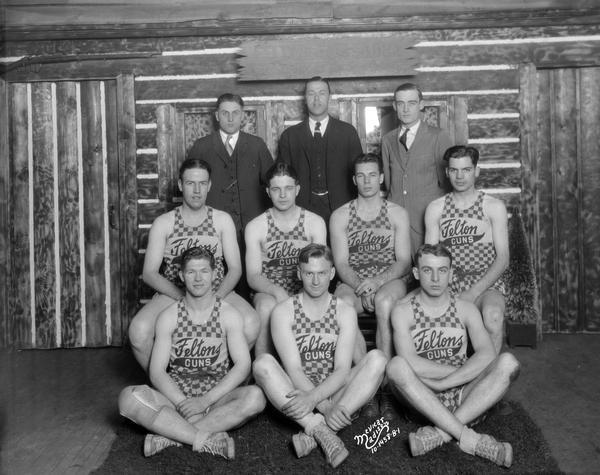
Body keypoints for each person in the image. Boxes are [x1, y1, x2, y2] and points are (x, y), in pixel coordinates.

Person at [118, 247, 266, 459]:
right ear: (181, 275)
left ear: (215, 274)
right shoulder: (169, 316)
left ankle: (171, 436)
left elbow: (243, 366)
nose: (198, 278)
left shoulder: (228, 314)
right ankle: (204, 439)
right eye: (191, 272)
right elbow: (158, 372)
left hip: (216, 400)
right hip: (178, 399)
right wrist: (182, 403)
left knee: (256, 397)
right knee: (128, 398)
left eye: (204, 271)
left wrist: (205, 401)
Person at [253, 244, 386, 468]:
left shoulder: (344, 310)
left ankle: (314, 433)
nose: (316, 281)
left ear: (332, 274)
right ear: (299, 273)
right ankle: (322, 429)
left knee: (378, 359)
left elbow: (342, 369)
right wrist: (322, 406)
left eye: (322, 273)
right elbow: (294, 370)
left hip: (336, 394)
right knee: (262, 364)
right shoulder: (284, 311)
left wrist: (320, 400)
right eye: (309, 273)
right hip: (297, 394)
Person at [386, 243, 520, 467]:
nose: (436, 278)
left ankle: (440, 433)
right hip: (422, 396)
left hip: (463, 396)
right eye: (428, 270)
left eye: (442, 270)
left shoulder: (465, 308)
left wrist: (447, 382)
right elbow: (410, 362)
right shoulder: (403, 310)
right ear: (417, 273)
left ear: (451, 273)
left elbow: (487, 355)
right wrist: (457, 373)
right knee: (396, 366)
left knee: (508, 362)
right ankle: (471, 439)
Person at [128, 158, 260, 372]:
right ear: (181, 185)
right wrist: (183, 299)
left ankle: (224, 383)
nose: (196, 190)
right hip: (175, 291)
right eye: (190, 183)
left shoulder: (222, 220)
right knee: (139, 332)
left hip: (217, 290)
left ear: (209, 186)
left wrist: (213, 301)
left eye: (202, 184)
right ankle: (169, 384)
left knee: (251, 323)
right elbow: (150, 273)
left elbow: (235, 268)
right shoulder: (164, 222)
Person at [424, 145, 509, 353]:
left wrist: (474, 292)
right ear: (447, 172)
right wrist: (440, 290)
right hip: (449, 283)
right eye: (454, 170)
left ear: (476, 171)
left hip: (486, 283)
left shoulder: (492, 206)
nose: (459, 176)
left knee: (493, 316)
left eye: (466, 170)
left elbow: (503, 259)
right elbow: (430, 257)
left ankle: (489, 377)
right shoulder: (437, 208)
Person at [244, 161, 327, 356]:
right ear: (267, 191)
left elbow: (321, 269)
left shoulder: (314, 222)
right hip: (270, 291)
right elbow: (253, 275)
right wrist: (277, 291)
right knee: (266, 306)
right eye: (276, 189)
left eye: (288, 188)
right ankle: (263, 365)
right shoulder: (256, 226)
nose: (282, 195)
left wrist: (303, 294)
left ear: (297, 189)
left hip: (307, 288)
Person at [278, 76, 363, 223]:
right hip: (301, 211)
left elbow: (359, 173)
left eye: (322, 93)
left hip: (342, 210)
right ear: (305, 98)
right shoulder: (290, 136)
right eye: (311, 94)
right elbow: (282, 178)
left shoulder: (347, 132)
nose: (316, 99)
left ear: (329, 97)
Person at [186, 92, 273, 234]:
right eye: (225, 113)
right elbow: (189, 185)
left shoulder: (257, 145)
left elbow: (273, 184)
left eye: (235, 113)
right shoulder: (201, 146)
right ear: (217, 116)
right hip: (212, 225)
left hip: (252, 225)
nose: (230, 119)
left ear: (242, 115)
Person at [381, 83, 453, 254]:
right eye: (400, 103)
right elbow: (390, 184)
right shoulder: (387, 140)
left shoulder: (438, 136)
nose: (406, 109)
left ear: (421, 105)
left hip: (428, 224)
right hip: (396, 224)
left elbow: (447, 186)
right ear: (394, 106)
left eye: (412, 103)